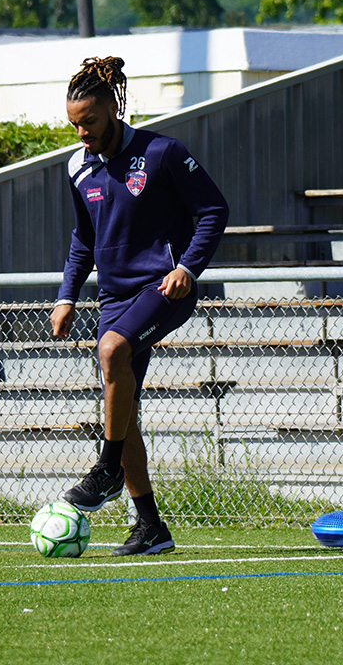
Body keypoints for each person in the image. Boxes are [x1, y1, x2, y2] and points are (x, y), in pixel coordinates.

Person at [50, 56, 229, 556]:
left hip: (164, 289)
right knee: (121, 409)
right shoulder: (77, 167)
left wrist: (187, 268)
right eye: (74, 125)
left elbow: (214, 210)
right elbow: (83, 239)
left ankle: (106, 470)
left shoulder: (163, 153)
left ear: (113, 108)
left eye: (89, 122)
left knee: (111, 351)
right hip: (115, 297)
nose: (82, 133)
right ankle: (150, 527)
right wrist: (67, 295)